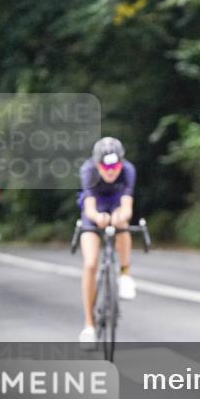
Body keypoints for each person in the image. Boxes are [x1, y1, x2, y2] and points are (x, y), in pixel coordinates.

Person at [76, 137, 138, 344]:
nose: (111, 171)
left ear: (121, 162)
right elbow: (90, 208)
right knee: (90, 263)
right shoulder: (88, 170)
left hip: (116, 204)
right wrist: (98, 218)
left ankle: (125, 273)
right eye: (106, 167)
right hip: (96, 209)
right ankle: (89, 325)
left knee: (123, 224)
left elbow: (127, 207)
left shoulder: (128, 170)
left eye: (115, 166)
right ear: (97, 164)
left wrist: (120, 216)